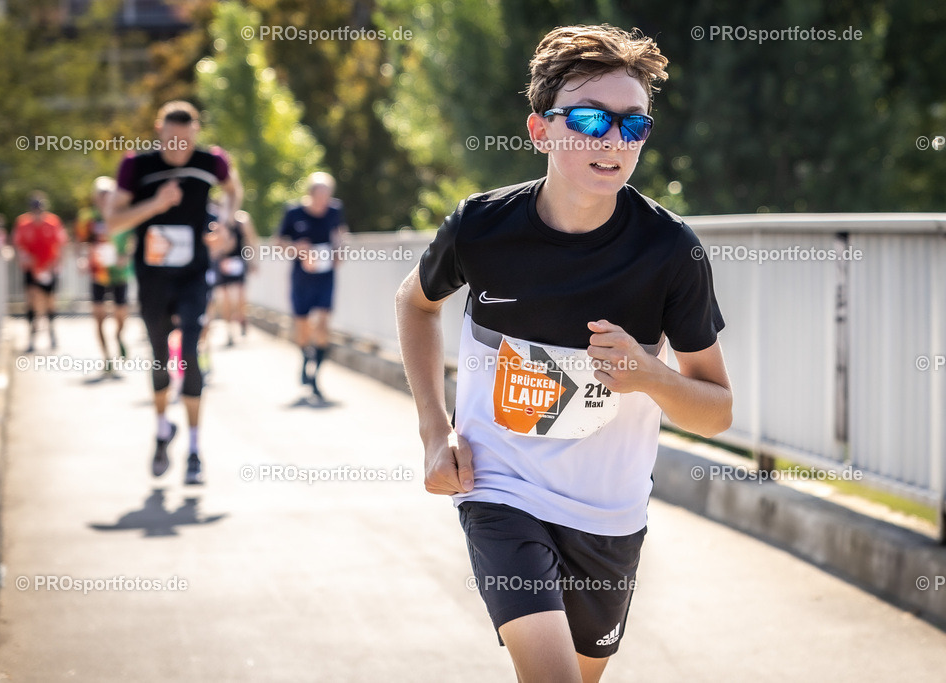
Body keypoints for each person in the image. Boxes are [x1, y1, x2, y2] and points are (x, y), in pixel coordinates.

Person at [395, 25, 732, 683]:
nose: (611, 141)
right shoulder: (483, 227)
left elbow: (717, 411)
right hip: (500, 484)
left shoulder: (671, 251)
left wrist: (648, 374)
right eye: (587, 118)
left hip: (609, 513)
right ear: (539, 130)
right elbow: (415, 302)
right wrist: (435, 434)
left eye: (632, 125)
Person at [105, 100, 240, 485]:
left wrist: (226, 223)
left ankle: (195, 449)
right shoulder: (136, 166)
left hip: (195, 274)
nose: (179, 146)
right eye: (172, 138)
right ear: (159, 131)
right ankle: (163, 430)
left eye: (186, 138)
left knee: (193, 351)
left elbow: (233, 190)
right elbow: (113, 220)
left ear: (196, 132)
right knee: (160, 356)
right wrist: (156, 204)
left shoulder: (212, 161)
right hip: (153, 279)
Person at [276, 172, 348, 400]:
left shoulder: (335, 210)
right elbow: (278, 243)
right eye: (320, 195)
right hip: (301, 277)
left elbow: (341, 234)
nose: (324, 200)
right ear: (310, 193)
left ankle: (315, 375)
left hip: (325, 275)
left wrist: (340, 250)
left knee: (324, 323)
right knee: (302, 326)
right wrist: (297, 248)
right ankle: (305, 355)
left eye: (327, 195)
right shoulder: (293, 212)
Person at [77, 176, 134, 373]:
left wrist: (125, 256)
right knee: (99, 317)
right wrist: (83, 258)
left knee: (120, 316)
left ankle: (118, 337)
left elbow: (133, 240)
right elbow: (82, 242)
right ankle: (107, 357)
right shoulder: (89, 218)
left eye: (107, 194)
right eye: (100, 194)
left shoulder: (123, 214)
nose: (104, 198)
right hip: (98, 273)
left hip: (119, 274)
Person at [13, 192, 67, 353]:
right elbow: (18, 245)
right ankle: (31, 337)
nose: (37, 212)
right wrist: (23, 258)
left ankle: (51, 333)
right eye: (34, 208)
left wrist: (56, 264)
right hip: (31, 269)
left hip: (49, 268)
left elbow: (61, 244)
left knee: (50, 301)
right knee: (31, 301)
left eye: (39, 208)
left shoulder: (53, 222)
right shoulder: (23, 223)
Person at [211, 208, 258, 346]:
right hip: (222, 263)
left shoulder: (242, 220)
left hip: (238, 262)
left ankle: (242, 319)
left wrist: (252, 261)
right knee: (225, 299)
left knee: (240, 297)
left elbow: (251, 240)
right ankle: (229, 331)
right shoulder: (216, 220)